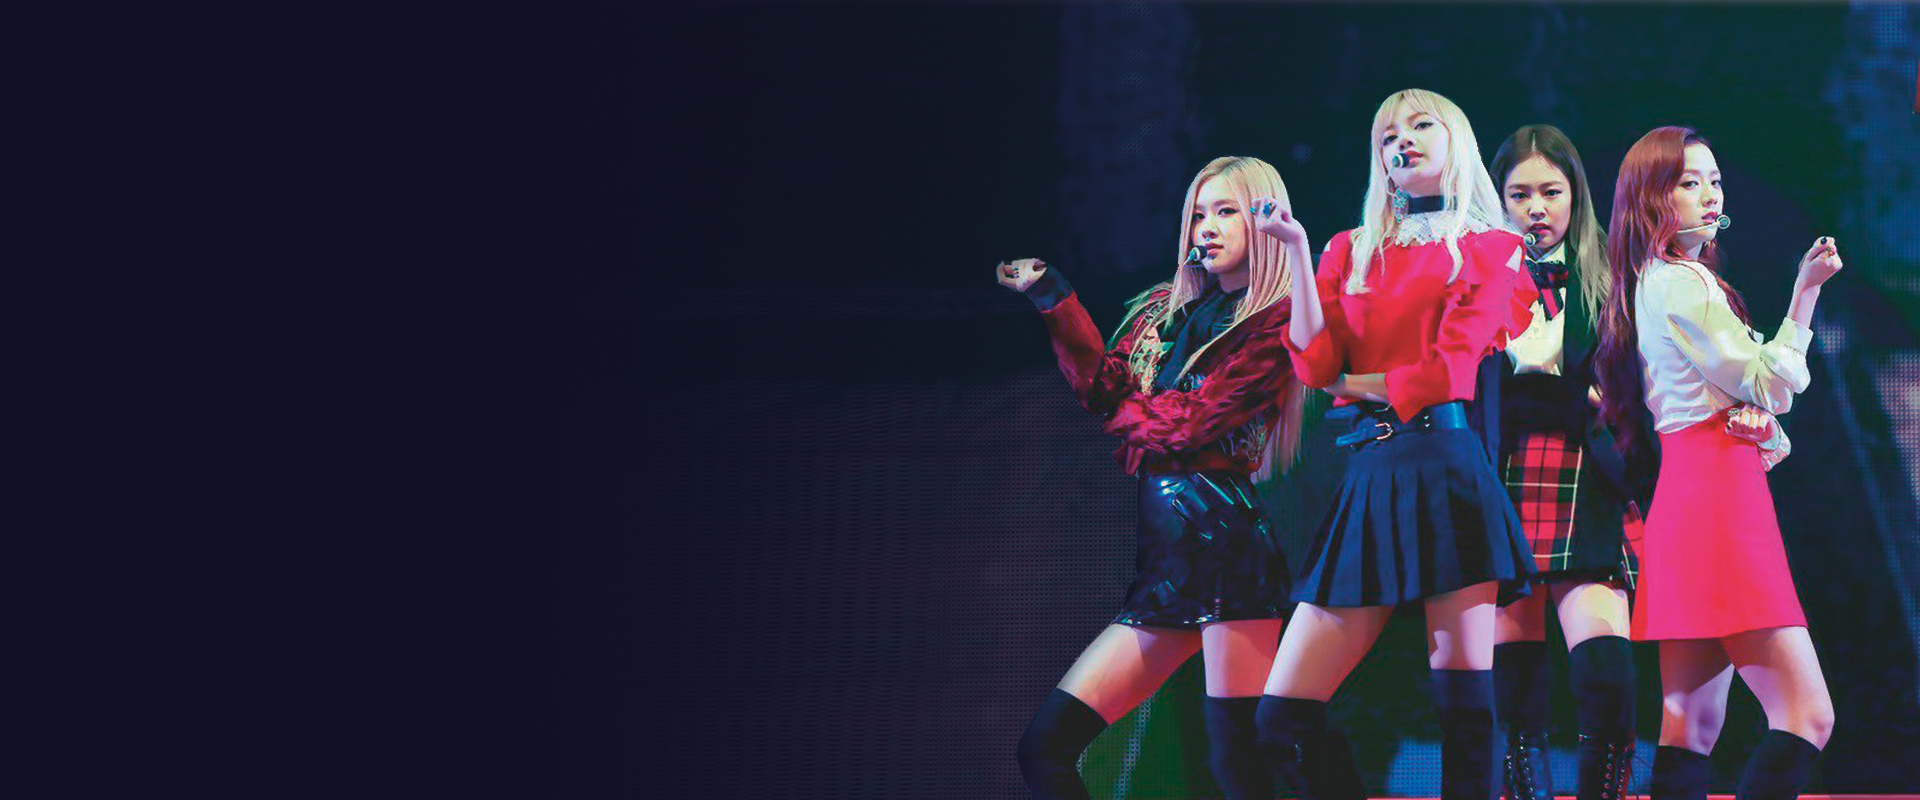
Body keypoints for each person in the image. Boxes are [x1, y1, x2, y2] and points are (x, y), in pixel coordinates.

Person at [1248, 88, 1537, 800]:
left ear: (1455, 140)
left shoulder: (1493, 247)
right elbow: (1313, 365)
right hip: (1372, 474)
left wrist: (1352, 382)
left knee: (1464, 714)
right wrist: (1297, 251)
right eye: (1387, 134)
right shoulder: (1348, 249)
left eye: (1419, 125)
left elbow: (1447, 373)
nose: (1401, 140)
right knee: (1280, 719)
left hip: (1446, 469)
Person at [1001, 155, 1308, 800]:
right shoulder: (1160, 313)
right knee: (1045, 748)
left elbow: (1190, 425)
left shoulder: (1274, 322)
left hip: (1228, 552)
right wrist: (1053, 297)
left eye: (1226, 211)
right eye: (1199, 214)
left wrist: (1122, 411)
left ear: (1263, 220)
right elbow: (1101, 386)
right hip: (1166, 565)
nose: (1207, 227)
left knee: (1239, 768)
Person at [1592, 125, 1841, 800]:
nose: (1709, 194)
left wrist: (1758, 424)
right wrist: (1806, 293)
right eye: (1688, 182)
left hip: (1692, 492)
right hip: (1718, 502)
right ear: (1652, 197)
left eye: (1715, 181)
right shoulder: (1686, 283)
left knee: (1689, 725)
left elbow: (1726, 405)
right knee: (1807, 715)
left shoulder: (1652, 282)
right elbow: (1771, 382)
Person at [1486, 124, 1647, 800]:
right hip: (1499, 477)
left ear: (1576, 195)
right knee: (1516, 696)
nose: (1536, 208)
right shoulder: (1475, 279)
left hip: (1587, 475)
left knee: (1606, 681)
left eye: (1551, 192)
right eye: (1519, 194)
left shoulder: (1613, 278)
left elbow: (1638, 388)